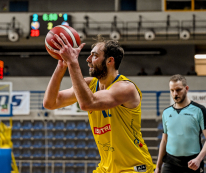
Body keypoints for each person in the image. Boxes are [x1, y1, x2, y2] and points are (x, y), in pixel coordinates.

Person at [43, 34, 154, 173]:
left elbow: (87, 103)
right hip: (106, 167)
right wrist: (61, 66)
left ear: (110, 61)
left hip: (133, 167)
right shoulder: (90, 84)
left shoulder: (125, 88)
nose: (88, 60)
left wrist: (73, 62)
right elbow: (50, 102)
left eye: (94, 55)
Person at [155, 74, 206, 173]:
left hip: (192, 162)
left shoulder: (200, 110)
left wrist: (198, 159)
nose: (175, 94)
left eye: (178, 90)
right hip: (170, 163)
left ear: (186, 88)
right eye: (172, 90)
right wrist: (158, 166)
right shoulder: (166, 112)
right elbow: (164, 141)